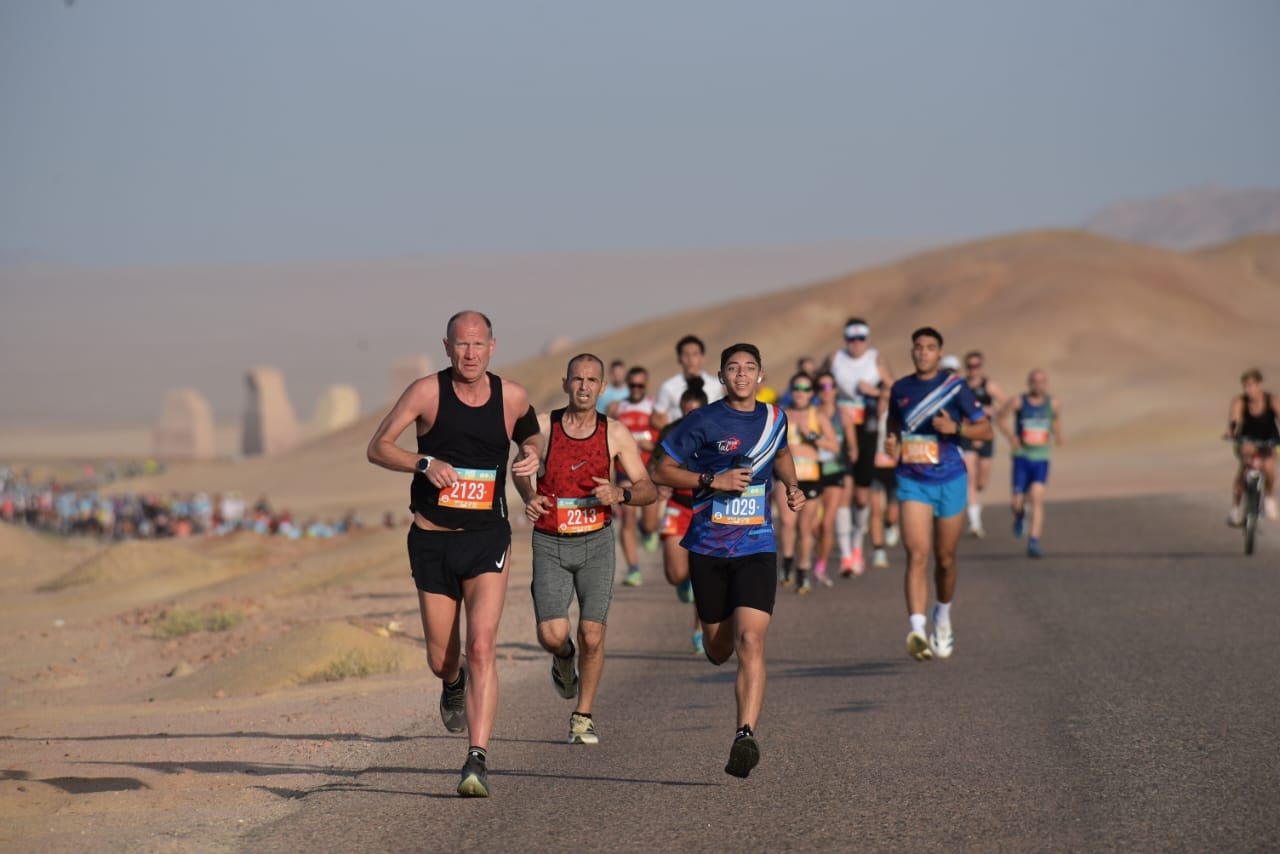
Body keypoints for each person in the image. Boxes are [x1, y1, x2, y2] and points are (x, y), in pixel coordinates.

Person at [366, 310, 542, 798]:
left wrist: (531, 452)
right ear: (447, 347)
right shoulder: (427, 392)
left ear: (492, 347)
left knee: (482, 645)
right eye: (461, 344)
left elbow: (530, 433)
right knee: (441, 659)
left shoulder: (512, 396)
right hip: (432, 539)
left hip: (487, 538)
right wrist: (423, 462)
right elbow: (378, 447)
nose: (470, 353)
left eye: (478, 344)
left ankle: (476, 758)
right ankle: (452, 681)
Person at [651, 343, 805, 779]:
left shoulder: (775, 418)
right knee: (719, 649)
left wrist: (792, 486)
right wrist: (711, 479)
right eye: (733, 368)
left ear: (761, 375)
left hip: (756, 546)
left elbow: (782, 453)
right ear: (721, 376)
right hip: (708, 549)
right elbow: (661, 470)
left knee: (751, 641)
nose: (741, 374)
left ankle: (745, 735)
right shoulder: (702, 420)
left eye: (749, 368)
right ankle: (712, 635)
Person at [513, 354, 657, 746]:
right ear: (565, 384)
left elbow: (647, 488)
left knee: (592, 634)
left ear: (603, 387)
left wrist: (621, 493)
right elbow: (519, 468)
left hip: (597, 543)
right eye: (577, 379)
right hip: (550, 542)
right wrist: (529, 495)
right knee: (552, 634)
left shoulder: (616, 432)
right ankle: (563, 659)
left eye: (592, 380)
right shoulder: (543, 426)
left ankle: (583, 716)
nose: (584, 386)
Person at [884, 326, 992, 662]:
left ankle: (941, 617)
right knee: (916, 554)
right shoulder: (900, 388)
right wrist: (892, 442)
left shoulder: (955, 387)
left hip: (950, 479)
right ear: (912, 351)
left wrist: (956, 428)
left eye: (930, 347)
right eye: (918, 347)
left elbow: (986, 429)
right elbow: (893, 424)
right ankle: (917, 630)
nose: (923, 352)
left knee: (945, 560)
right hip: (912, 479)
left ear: (939, 352)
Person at [829, 318, 895, 575]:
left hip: (868, 428)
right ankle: (846, 554)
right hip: (841, 429)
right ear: (845, 339)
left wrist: (875, 392)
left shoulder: (876, 359)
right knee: (843, 491)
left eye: (861, 339)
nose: (856, 344)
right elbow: (820, 384)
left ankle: (857, 544)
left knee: (862, 496)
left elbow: (894, 390)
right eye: (851, 339)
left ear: (866, 339)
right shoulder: (835, 359)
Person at [652, 378, 711, 653]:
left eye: (696, 413)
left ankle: (700, 629)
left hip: (705, 509)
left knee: (703, 574)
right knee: (675, 574)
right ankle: (682, 581)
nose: (691, 418)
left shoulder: (717, 435)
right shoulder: (670, 432)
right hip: (678, 505)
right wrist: (660, 483)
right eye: (686, 413)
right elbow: (655, 467)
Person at [775, 372, 838, 592]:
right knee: (787, 522)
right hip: (785, 477)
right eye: (797, 388)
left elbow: (835, 446)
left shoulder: (817, 415)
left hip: (811, 476)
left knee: (805, 528)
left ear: (812, 393)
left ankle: (803, 570)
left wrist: (812, 436)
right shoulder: (781, 414)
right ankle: (787, 562)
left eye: (805, 389)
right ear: (791, 391)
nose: (800, 393)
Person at [996, 368, 1064, 557]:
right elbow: (1000, 418)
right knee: (1017, 502)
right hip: (1021, 456)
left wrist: (1058, 434)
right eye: (1035, 381)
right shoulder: (1018, 401)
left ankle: (1034, 541)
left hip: (1041, 458)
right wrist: (1011, 437)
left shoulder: (1053, 403)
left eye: (1042, 381)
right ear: (1029, 383)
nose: (1038, 385)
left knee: (1036, 496)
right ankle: (1020, 515)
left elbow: (1055, 420)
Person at [608, 365, 660, 585]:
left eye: (640, 384)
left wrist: (652, 446)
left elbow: (667, 440)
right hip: (624, 471)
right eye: (632, 385)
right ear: (627, 385)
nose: (636, 388)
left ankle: (648, 530)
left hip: (649, 473)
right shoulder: (616, 408)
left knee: (649, 524)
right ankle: (633, 569)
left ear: (646, 384)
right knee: (627, 518)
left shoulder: (655, 407)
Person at [959, 350, 1008, 538]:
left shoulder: (989, 385)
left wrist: (993, 412)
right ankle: (975, 523)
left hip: (986, 435)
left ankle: (976, 504)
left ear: (981, 366)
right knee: (970, 478)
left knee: (982, 481)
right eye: (970, 366)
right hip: (967, 435)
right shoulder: (961, 386)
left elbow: (1007, 405)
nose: (974, 370)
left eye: (977, 366)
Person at [1225, 368, 1280, 523]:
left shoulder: (1271, 400)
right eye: (1245, 386)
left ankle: (1269, 498)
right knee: (1244, 469)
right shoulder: (1240, 401)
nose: (1248, 390)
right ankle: (1236, 508)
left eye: (1251, 385)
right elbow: (1235, 419)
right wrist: (1232, 431)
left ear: (1259, 384)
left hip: (1269, 440)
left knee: (1269, 467)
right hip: (1246, 440)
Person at [652, 334, 724, 429]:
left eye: (695, 354)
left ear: (702, 357)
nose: (690, 359)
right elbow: (656, 418)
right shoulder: (668, 387)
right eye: (686, 355)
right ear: (679, 358)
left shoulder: (716, 385)